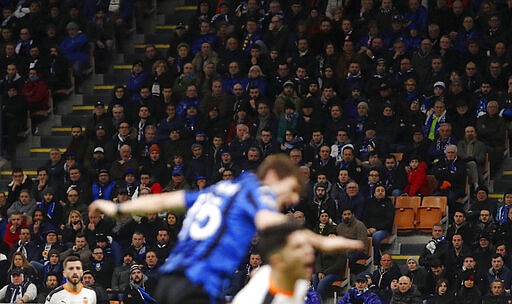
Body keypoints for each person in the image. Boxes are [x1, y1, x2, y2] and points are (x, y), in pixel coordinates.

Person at [90, 154, 363, 304]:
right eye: (291, 189)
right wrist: (322, 242)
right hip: (196, 285)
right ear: (272, 177)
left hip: (172, 282)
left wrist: (117, 208)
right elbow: (273, 224)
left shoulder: (218, 190)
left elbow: (164, 200)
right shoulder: (257, 192)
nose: (292, 199)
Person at [232, 220, 320, 303]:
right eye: (298, 247)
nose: (309, 251)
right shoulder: (260, 295)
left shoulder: (300, 285)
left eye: (308, 245)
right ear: (278, 261)